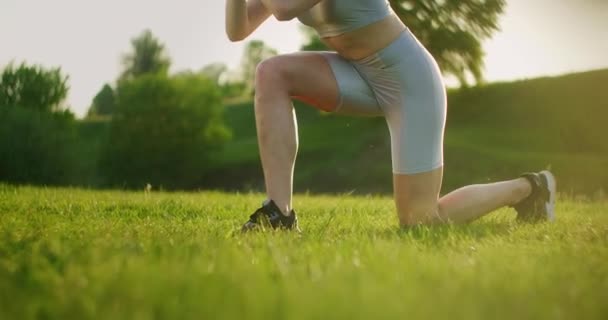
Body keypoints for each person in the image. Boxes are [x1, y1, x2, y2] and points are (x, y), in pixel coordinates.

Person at [224, 0, 556, 231]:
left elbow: (283, 9)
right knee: (272, 73)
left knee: (421, 220)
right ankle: (279, 214)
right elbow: (238, 29)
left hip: (410, 82)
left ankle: (532, 188)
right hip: (358, 73)